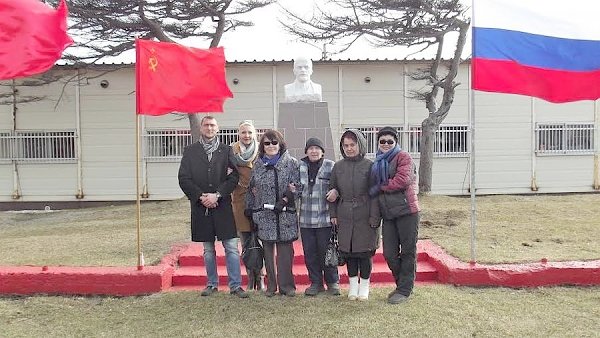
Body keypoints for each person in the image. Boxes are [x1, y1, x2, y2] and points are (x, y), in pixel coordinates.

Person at [178, 115, 248, 298]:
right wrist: (201, 197)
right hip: (202, 208)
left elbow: (233, 177)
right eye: (206, 125)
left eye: (212, 125)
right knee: (208, 250)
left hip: (222, 205)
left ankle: (235, 285)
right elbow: (184, 178)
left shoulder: (226, 151)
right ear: (201, 128)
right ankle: (211, 284)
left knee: (231, 247)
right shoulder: (190, 151)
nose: (209, 128)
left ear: (218, 129)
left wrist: (217, 194)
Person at [327, 129, 380, 301]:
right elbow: (332, 191)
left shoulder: (370, 166)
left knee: (364, 252)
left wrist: (374, 216)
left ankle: (364, 286)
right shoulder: (338, 167)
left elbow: (375, 194)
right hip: (345, 214)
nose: (349, 148)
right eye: (346, 145)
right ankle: (352, 286)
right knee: (349, 252)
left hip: (365, 213)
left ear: (360, 145)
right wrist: (333, 213)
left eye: (352, 145)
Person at [369, 126, 421, 304]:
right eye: (382, 141)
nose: (385, 144)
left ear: (396, 142)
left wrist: (380, 186)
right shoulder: (376, 161)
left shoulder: (403, 157)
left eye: (389, 141)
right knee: (389, 253)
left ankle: (405, 289)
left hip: (407, 211)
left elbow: (402, 180)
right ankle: (401, 285)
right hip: (388, 213)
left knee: (407, 251)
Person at [245, 129, 300, 297]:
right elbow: (251, 189)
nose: (271, 146)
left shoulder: (292, 163)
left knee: (285, 254)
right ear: (262, 146)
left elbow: (297, 186)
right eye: (267, 143)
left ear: (280, 144)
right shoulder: (258, 165)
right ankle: (271, 287)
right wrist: (250, 209)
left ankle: (287, 287)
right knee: (268, 253)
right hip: (265, 215)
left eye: (274, 142)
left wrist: (284, 200)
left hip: (284, 215)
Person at [297, 137, 340, 296]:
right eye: (310, 148)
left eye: (317, 148)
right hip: (306, 220)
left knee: (327, 252)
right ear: (306, 151)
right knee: (310, 253)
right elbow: (296, 188)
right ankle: (315, 283)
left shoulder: (331, 166)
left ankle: (332, 282)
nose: (313, 151)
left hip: (325, 219)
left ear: (322, 151)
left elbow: (338, 186)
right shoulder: (300, 166)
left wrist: (336, 192)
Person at [230, 120, 264, 291]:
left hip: (259, 200)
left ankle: (262, 278)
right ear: (239, 134)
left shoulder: (262, 149)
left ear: (254, 134)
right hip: (240, 200)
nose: (247, 136)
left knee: (262, 240)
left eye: (250, 132)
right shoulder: (232, 150)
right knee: (246, 241)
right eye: (243, 132)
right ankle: (251, 277)